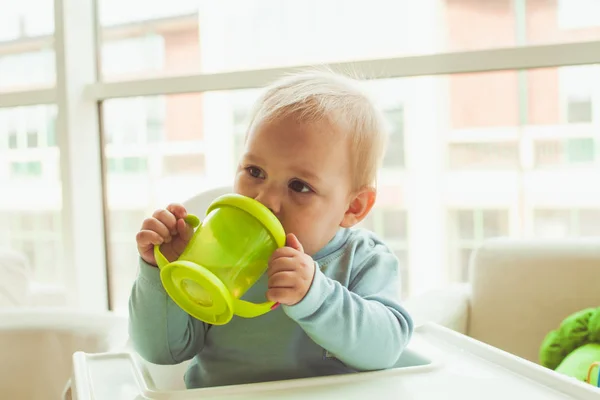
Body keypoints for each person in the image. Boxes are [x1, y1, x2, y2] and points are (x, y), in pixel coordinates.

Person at [129, 69, 414, 389]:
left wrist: (317, 297)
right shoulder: (216, 251)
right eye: (255, 171)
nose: (265, 199)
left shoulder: (363, 260)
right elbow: (162, 350)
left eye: (299, 186)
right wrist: (161, 274)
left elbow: (386, 349)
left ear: (352, 207)